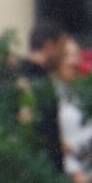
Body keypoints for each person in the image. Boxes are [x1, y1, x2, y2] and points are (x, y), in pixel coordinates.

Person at [54, 33, 92, 183]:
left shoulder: (88, 91)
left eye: (76, 55)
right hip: (68, 174)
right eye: (67, 55)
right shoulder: (52, 94)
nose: (72, 61)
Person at [18, 20, 66, 172]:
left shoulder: (18, 75)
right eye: (61, 48)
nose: (63, 55)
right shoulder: (40, 82)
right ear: (49, 46)